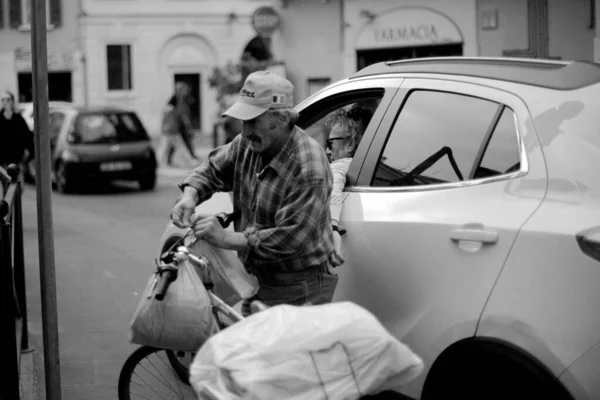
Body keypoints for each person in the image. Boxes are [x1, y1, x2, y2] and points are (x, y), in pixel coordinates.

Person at [171, 71, 338, 314]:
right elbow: (213, 169)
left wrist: (225, 238)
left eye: (253, 120)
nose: (245, 130)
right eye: (243, 121)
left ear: (281, 119)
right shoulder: (249, 143)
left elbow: (288, 240)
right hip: (262, 279)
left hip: (300, 289)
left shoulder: (308, 167)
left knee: (281, 352)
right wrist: (190, 195)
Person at [325, 106, 372, 266]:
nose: (327, 150)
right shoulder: (363, 166)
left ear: (350, 144)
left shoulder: (340, 165)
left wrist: (332, 228)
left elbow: (333, 189)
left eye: (331, 143)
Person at [0, 90, 34, 176]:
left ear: (12, 101)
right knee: (5, 185)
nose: (5, 102)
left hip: (17, 159)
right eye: (3, 100)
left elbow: (27, 136)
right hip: (2, 161)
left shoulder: (18, 119)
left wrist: (29, 155)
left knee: (16, 185)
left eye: (8, 100)